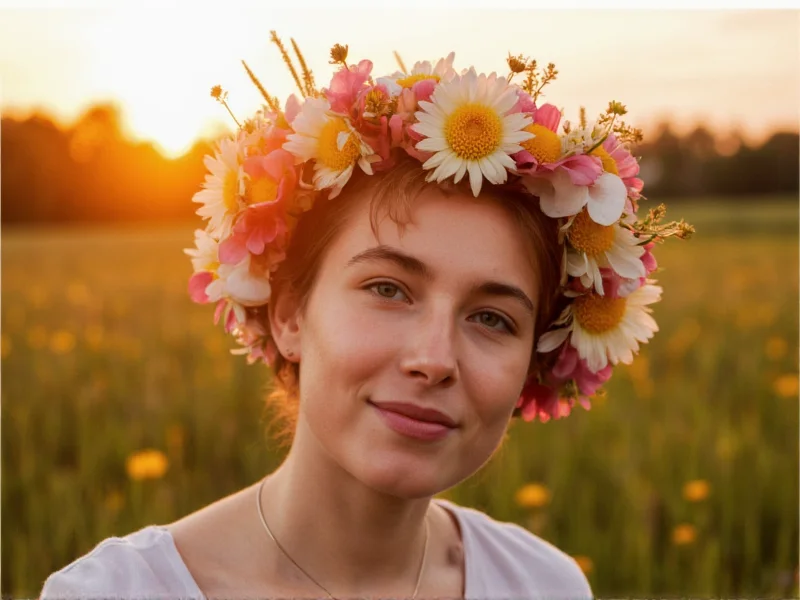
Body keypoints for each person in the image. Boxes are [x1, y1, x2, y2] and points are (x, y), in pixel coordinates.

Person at [40, 36, 692, 600]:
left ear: (536, 364)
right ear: (290, 311)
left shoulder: (546, 587)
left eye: (493, 319)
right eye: (388, 288)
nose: (434, 359)